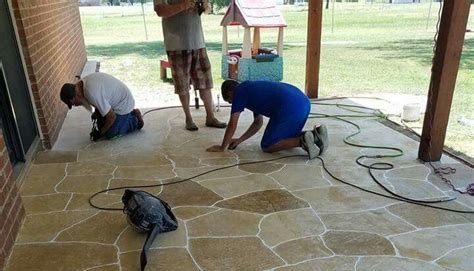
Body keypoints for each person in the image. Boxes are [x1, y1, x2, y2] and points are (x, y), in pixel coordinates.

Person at [207, 79, 328, 160]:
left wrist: (222, 147)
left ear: (230, 92)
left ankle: (302, 141)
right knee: (285, 137)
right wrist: (239, 140)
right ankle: (316, 135)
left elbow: (232, 124)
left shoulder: (239, 92)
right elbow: (257, 123)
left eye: (229, 100)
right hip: (303, 102)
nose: (232, 103)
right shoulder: (250, 90)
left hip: (289, 106)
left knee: (267, 145)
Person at [153, 0, 226, 131]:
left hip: (198, 42)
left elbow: (207, 10)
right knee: (182, 83)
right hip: (176, 44)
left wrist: (204, 6)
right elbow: (160, 11)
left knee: (205, 81)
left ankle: (211, 117)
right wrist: (182, 5)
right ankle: (189, 118)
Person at [60, 72, 144, 140]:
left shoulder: (91, 93)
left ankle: (135, 120)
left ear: (76, 95)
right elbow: (100, 100)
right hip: (116, 101)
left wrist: (100, 134)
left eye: (73, 103)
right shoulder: (81, 86)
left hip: (124, 104)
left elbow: (111, 117)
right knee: (101, 124)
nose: (75, 105)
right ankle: (128, 116)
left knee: (110, 133)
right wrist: (98, 112)